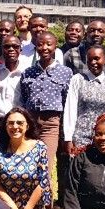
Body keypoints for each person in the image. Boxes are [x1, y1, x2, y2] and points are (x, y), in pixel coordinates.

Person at [17, 31, 72, 176]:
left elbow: (67, 101)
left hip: (51, 124)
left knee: (45, 166)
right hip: (31, 123)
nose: (44, 48)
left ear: (55, 47)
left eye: (49, 44)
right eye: (40, 44)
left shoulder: (65, 72)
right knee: (28, 164)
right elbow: (24, 98)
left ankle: (44, 191)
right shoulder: (28, 72)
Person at [62, 45, 105, 153]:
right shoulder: (77, 79)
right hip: (80, 139)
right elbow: (70, 110)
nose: (93, 62)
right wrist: (68, 138)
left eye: (97, 58)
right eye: (90, 59)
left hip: (103, 139)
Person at [0, 35, 24, 142]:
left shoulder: (26, 73)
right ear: (2, 49)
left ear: (20, 49)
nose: (11, 49)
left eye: (15, 46)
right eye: (7, 46)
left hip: (19, 124)